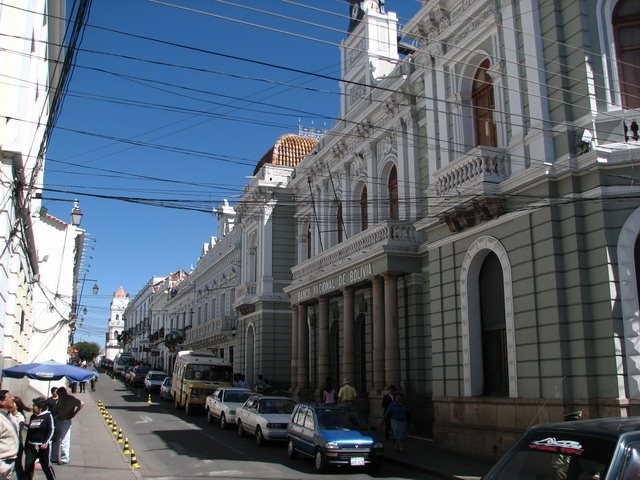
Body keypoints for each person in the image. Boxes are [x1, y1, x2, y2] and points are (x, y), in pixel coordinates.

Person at [23, 397, 55, 480]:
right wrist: (26, 446)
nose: (32, 407)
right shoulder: (33, 416)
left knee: (46, 466)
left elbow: (51, 430)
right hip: (31, 446)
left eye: (34, 406)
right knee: (28, 466)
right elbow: (29, 432)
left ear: (40, 408)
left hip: (42, 447)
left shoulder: (48, 416)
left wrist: (45, 442)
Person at [50, 387, 83, 465]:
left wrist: (74, 413)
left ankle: (64, 458)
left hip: (66, 420)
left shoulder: (71, 399)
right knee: (56, 439)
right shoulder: (59, 399)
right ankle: (54, 457)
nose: (59, 396)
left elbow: (81, 403)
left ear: (63, 393)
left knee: (64, 440)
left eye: (60, 394)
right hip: (58, 419)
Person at [11, 396, 32, 479]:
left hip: (17, 444)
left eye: (13, 404)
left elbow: (18, 430)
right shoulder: (8, 415)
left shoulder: (20, 417)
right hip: (10, 443)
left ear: (17, 406)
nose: (11, 405)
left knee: (17, 465)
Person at [0, 390, 19, 480]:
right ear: (2, 402)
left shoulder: (9, 416)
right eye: (9, 397)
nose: (13, 398)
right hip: (2, 463)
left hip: (10, 462)